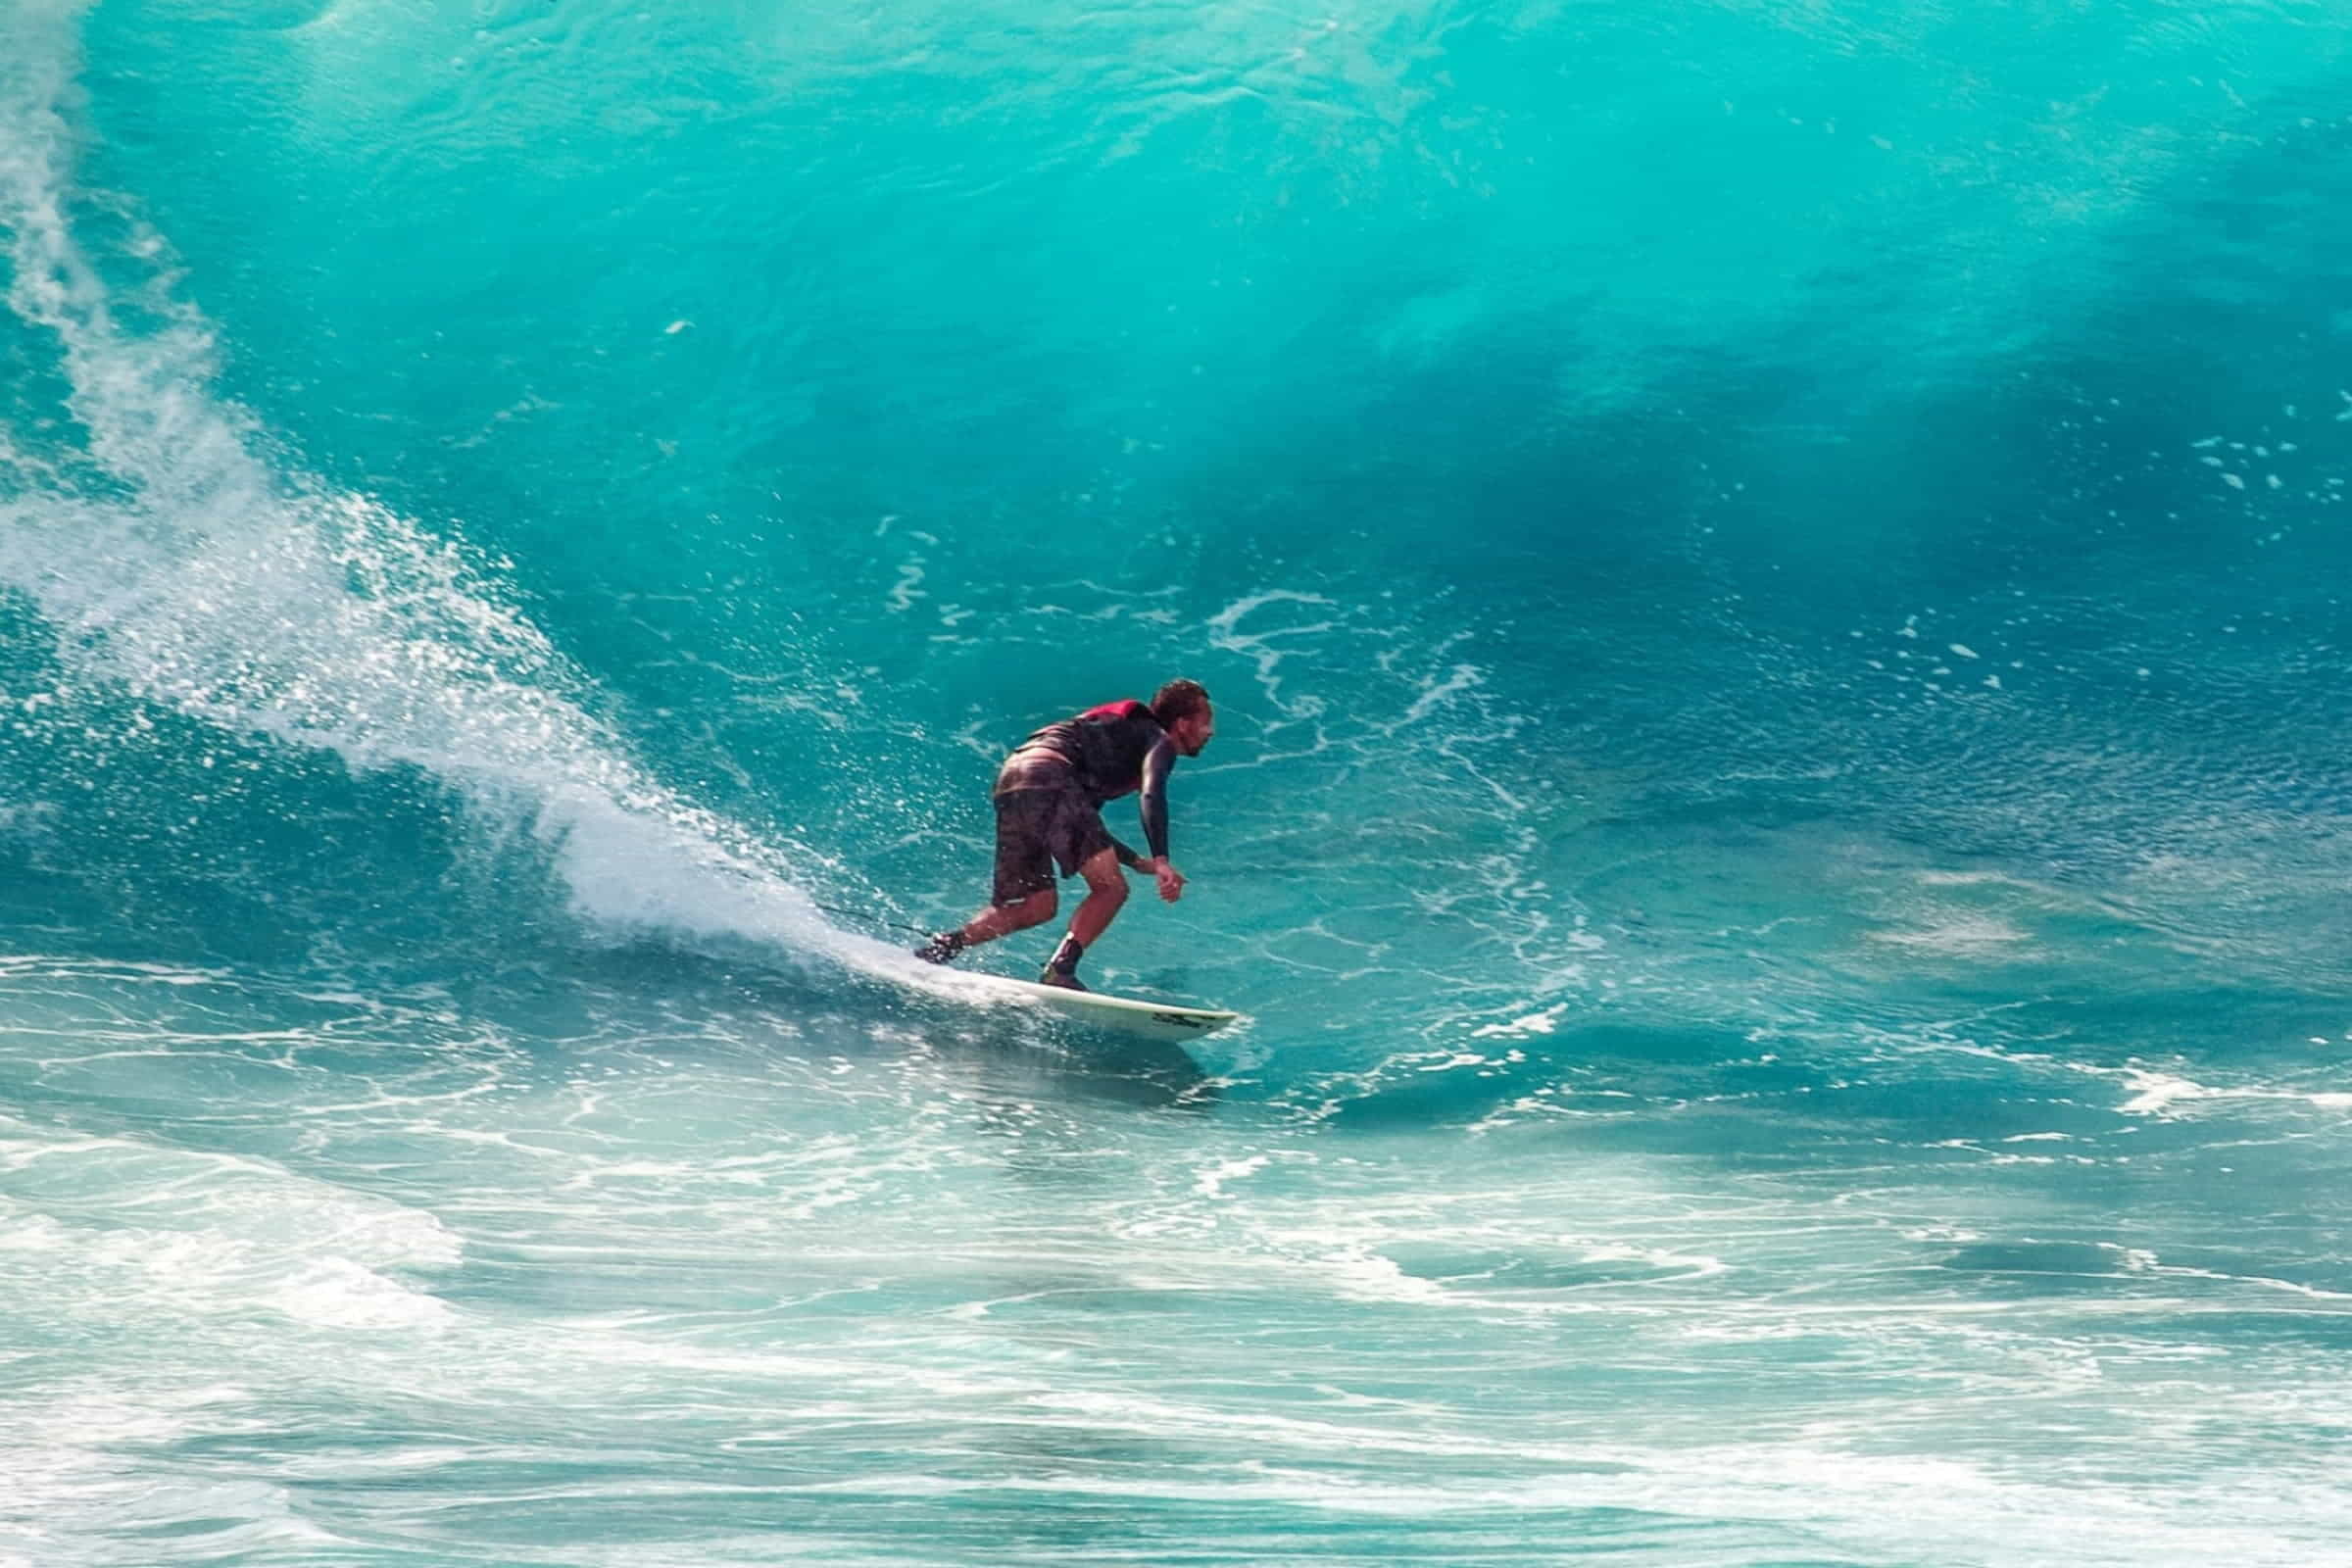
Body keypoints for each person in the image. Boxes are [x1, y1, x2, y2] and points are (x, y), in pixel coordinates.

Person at [915, 679, 1214, 990]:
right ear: (1182, 723)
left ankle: (943, 947)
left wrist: (1137, 861)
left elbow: (1083, 822)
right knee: (1111, 889)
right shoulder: (1159, 740)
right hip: (1050, 776)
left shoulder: (1115, 743)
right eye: (1206, 723)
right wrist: (1161, 859)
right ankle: (1061, 969)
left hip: (1015, 776)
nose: (1211, 732)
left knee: (1037, 906)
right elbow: (1152, 794)